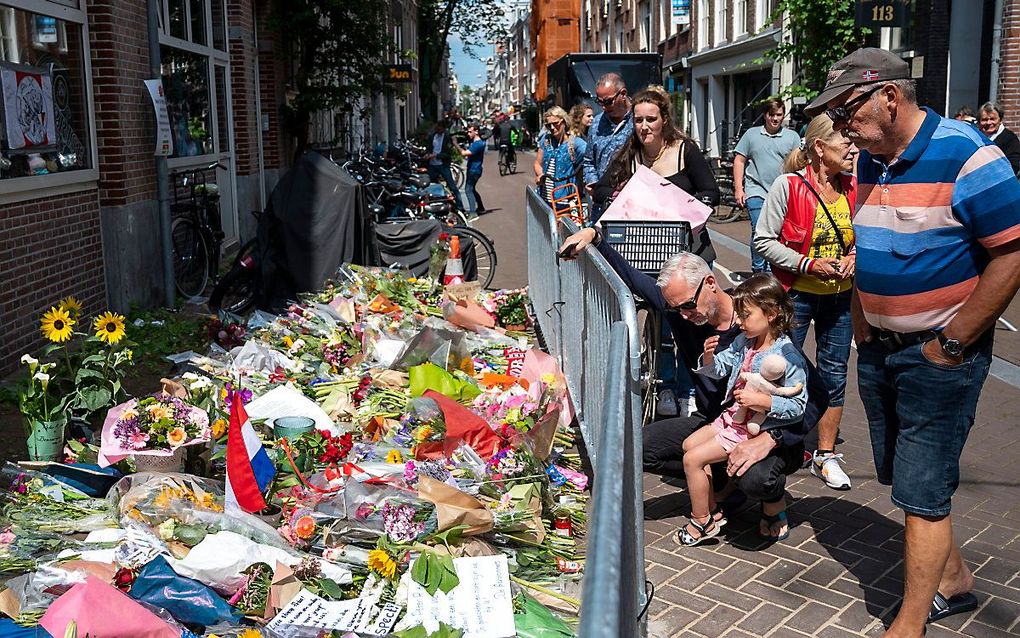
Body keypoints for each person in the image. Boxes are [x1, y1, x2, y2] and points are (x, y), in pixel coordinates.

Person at [806, 47, 1020, 637]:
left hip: (939, 355)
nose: (842, 126)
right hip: (880, 348)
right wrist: (862, 316)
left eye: (847, 109)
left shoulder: (971, 156)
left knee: (924, 490)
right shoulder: (873, 160)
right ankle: (954, 582)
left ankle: (910, 622)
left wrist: (953, 342)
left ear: (889, 97)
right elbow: (868, 246)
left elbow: (1012, 255)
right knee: (904, 477)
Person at [556, 230, 829, 541]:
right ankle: (722, 487)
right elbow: (632, 278)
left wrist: (773, 439)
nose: (684, 315)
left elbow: (816, 396)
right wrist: (595, 237)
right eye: (677, 308)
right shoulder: (680, 309)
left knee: (757, 478)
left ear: (710, 283)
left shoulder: (757, 323)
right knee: (637, 448)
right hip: (717, 421)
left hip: (763, 429)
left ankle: (765, 498)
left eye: (688, 305)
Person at [594, 86, 721, 416]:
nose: (644, 126)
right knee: (663, 320)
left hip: (685, 252)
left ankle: (688, 387)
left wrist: (687, 205)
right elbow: (604, 187)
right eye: (638, 120)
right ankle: (665, 386)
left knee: (690, 322)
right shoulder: (631, 153)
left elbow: (711, 191)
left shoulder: (684, 150)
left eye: (651, 119)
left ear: (665, 120)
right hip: (647, 252)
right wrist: (618, 191)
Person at [753, 115, 857, 491]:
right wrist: (809, 263)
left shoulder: (853, 187)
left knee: (835, 374)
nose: (853, 148)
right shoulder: (788, 185)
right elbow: (763, 240)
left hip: (840, 297)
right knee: (781, 371)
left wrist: (854, 257)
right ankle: (778, 443)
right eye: (844, 142)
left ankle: (825, 455)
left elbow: (862, 236)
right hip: (795, 295)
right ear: (819, 148)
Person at [674, 274, 808, 546]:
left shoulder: (787, 356)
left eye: (745, 315)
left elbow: (798, 405)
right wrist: (710, 357)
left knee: (692, 461)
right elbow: (719, 370)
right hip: (730, 419)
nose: (739, 321)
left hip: (747, 429)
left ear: (770, 314)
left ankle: (701, 522)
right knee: (689, 446)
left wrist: (763, 402)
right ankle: (713, 511)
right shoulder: (745, 342)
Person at [733, 98, 802, 274]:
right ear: (765, 115)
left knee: (778, 233)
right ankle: (759, 271)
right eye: (772, 115)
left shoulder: (792, 137)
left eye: (779, 115)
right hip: (756, 190)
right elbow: (739, 160)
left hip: (782, 193)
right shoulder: (751, 135)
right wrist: (739, 189)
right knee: (759, 230)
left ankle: (773, 270)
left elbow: (798, 163)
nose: (775, 119)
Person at [582, 73, 634, 220]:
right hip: (601, 206)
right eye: (599, 102)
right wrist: (592, 181)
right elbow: (588, 160)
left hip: (630, 207)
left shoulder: (639, 121)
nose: (604, 107)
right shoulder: (596, 124)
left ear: (623, 94)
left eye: (608, 101)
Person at [534, 107, 587, 216]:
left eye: (555, 123)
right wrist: (540, 175)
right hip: (545, 198)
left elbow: (591, 156)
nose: (552, 128)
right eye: (548, 125)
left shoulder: (575, 143)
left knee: (563, 231)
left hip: (565, 201)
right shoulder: (546, 140)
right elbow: (537, 163)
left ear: (564, 121)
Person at [426, 120, 464, 211]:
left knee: (452, 186)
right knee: (430, 186)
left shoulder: (447, 137)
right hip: (432, 165)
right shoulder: (432, 136)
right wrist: (427, 154)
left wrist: (436, 155)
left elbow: (448, 154)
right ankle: (435, 205)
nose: (438, 130)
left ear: (443, 128)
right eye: (437, 128)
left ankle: (460, 207)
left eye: (440, 128)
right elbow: (429, 148)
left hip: (443, 165)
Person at [978, 101, 1020, 175]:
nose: (988, 123)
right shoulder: (975, 137)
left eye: (992, 119)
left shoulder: (1010, 139)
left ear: (1000, 120)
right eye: (984, 120)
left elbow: (1013, 166)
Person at [458, 124, 487, 218]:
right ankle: (481, 207)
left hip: (474, 170)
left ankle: (473, 213)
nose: (468, 133)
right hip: (474, 169)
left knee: (468, 190)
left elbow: (464, 153)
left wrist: (455, 144)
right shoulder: (475, 143)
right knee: (472, 189)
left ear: (476, 132)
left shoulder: (478, 144)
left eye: (470, 132)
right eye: (468, 132)